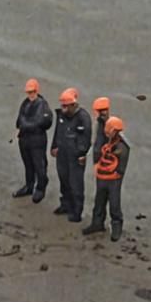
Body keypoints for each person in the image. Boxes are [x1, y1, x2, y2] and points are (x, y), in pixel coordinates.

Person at [83, 116, 129, 241]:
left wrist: (117, 172)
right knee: (99, 201)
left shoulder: (121, 146)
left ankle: (117, 227)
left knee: (114, 204)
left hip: (113, 179)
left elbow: (121, 160)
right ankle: (97, 223)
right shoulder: (107, 140)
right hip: (102, 176)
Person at [50, 88, 91, 223]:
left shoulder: (83, 117)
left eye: (66, 106)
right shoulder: (61, 116)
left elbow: (86, 138)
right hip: (62, 153)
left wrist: (82, 153)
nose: (63, 109)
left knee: (76, 184)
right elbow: (57, 131)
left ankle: (77, 211)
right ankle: (65, 204)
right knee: (64, 180)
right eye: (62, 105)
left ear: (73, 105)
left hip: (75, 157)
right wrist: (54, 146)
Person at [13, 79, 53, 202]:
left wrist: (26, 125)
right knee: (28, 164)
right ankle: (29, 185)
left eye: (32, 92)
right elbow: (19, 120)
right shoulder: (25, 104)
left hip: (37, 140)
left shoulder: (42, 105)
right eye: (29, 92)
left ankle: (41, 187)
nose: (30, 94)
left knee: (39, 164)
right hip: (25, 139)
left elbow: (43, 122)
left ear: (36, 91)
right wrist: (24, 125)